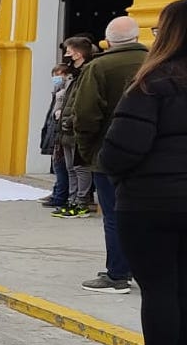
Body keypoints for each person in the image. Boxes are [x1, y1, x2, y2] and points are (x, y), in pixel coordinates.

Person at [97, 0, 187, 345]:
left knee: (158, 287)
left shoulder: (153, 82)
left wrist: (116, 174)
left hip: (151, 200)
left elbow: (122, 148)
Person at [71, 16, 150, 294]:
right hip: (152, 156)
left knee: (115, 216)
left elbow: (85, 114)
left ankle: (117, 274)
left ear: (108, 40)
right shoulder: (158, 63)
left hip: (109, 154)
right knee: (148, 214)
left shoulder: (100, 67)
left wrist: (88, 149)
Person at [53, 37, 97, 215]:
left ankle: (81, 202)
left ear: (78, 54)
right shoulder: (73, 75)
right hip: (66, 126)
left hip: (76, 125)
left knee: (80, 167)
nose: (66, 55)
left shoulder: (87, 73)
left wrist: (72, 119)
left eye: (69, 52)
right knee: (70, 167)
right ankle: (72, 199)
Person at [41, 63, 73, 209]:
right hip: (54, 129)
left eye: (58, 74)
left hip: (60, 130)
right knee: (58, 165)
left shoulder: (67, 90)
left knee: (62, 166)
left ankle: (61, 195)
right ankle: (57, 193)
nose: (55, 78)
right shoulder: (57, 91)